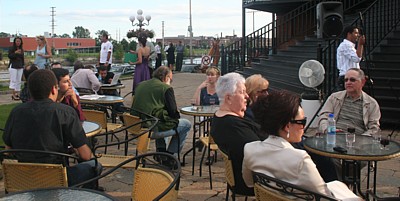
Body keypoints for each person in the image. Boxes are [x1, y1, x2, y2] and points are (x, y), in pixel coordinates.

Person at [242, 90, 361, 200]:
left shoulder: (250, 149)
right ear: (287, 126)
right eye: (302, 122)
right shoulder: (300, 159)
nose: (304, 127)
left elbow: (249, 183)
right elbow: (324, 197)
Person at [3, 69, 102, 189]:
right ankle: (86, 195)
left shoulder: (16, 112)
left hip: (24, 178)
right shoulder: (65, 112)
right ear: (54, 89)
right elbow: (85, 155)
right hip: (56, 178)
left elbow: (8, 151)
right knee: (95, 165)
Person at [319, 68, 380, 180]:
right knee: (329, 159)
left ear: (362, 82)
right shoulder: (334, 97)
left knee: (358, 161)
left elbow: (374, 128)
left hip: (358, 142)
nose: (348, 82)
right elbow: (323, 117)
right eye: (346, 80)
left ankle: (341, 185)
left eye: (352, 80)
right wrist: (327, 129)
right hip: (335, 137)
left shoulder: (371, 104)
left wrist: (362, 140)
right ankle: (344, 185)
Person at [211, 72, 260, 196]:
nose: (247, 96)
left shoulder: (220, 117)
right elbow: (260, 151)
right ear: (228, 98)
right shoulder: (232, 125)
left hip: (242, 177)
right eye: (242, 92)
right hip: (253, 181)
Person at [131, 66, 191, 159]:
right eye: (170, 79)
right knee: (186, 124)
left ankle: (161, 152)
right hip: (150, 129)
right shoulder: (165, 88)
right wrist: (168, 86)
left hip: (135, 126)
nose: (170, 82)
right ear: (166, 77)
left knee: (162, 119)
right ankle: (171, 156)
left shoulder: (140, 84)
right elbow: (173, 113)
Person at [336, 26, 365, 91]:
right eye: (356, 33)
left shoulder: (351, 46)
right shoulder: (345, 45)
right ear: (349, 34)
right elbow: (356, 58)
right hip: (346, 77)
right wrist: (360, 44)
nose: (358, 35)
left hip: (352, 76)